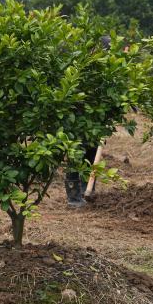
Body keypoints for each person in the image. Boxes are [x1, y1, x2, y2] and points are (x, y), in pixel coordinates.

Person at [65, 34, 112, 208]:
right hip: (78, 121)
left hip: (96, 122)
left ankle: (88, 191)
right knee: (77, 156)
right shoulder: (82, 66)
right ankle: (73, 198)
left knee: (92, 156)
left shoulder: (107, 69)